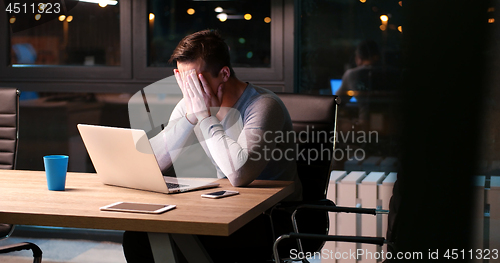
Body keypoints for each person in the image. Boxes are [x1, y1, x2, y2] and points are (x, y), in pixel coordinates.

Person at [122, 29, 302, 263]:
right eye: (183, 80)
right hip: (226, 208)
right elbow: (153, 161)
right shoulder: (191, 104)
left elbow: (239, 174)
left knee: (175, 241)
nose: (190, 91)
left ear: (224, 74)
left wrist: (206, 118)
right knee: (138, 237)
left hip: (272, 217)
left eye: (195, 80)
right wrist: (190, 118)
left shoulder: (263, 106)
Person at [335, 39, 381, 130]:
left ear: (358, 58)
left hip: (366, 128)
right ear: (378, 56)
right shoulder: (394, 73)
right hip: (393, 129)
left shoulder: (352, 75)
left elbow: (336, 103)